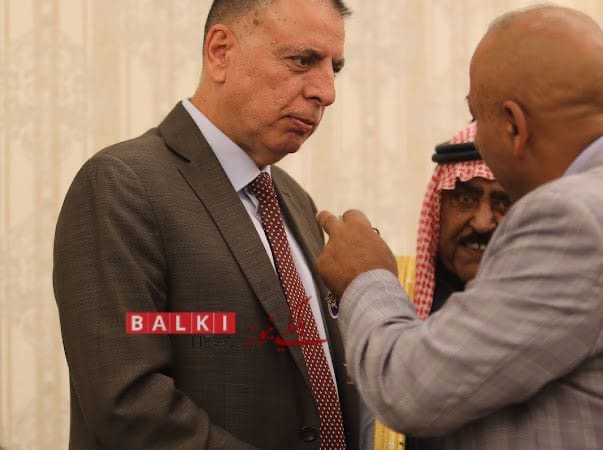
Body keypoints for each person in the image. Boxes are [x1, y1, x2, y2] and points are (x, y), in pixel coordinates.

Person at [53, 1, 359, 449]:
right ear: (220, 51)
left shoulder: (294, 200)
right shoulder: (123, 184)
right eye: (302, 60)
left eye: (335, 68)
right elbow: (130, 405)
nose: (326, 92)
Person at [316, 5, 603, 449]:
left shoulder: (572, 218)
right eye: (465, 198)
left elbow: (410, 389)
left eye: (477, 118)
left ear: (514, 126)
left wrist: (365, 277)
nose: (484, 221)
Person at [365, 124, 510, 450]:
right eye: (465, 198)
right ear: (438, 207)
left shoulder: (547, 310)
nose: (482, 222)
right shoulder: (395, 294)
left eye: (503, 202)